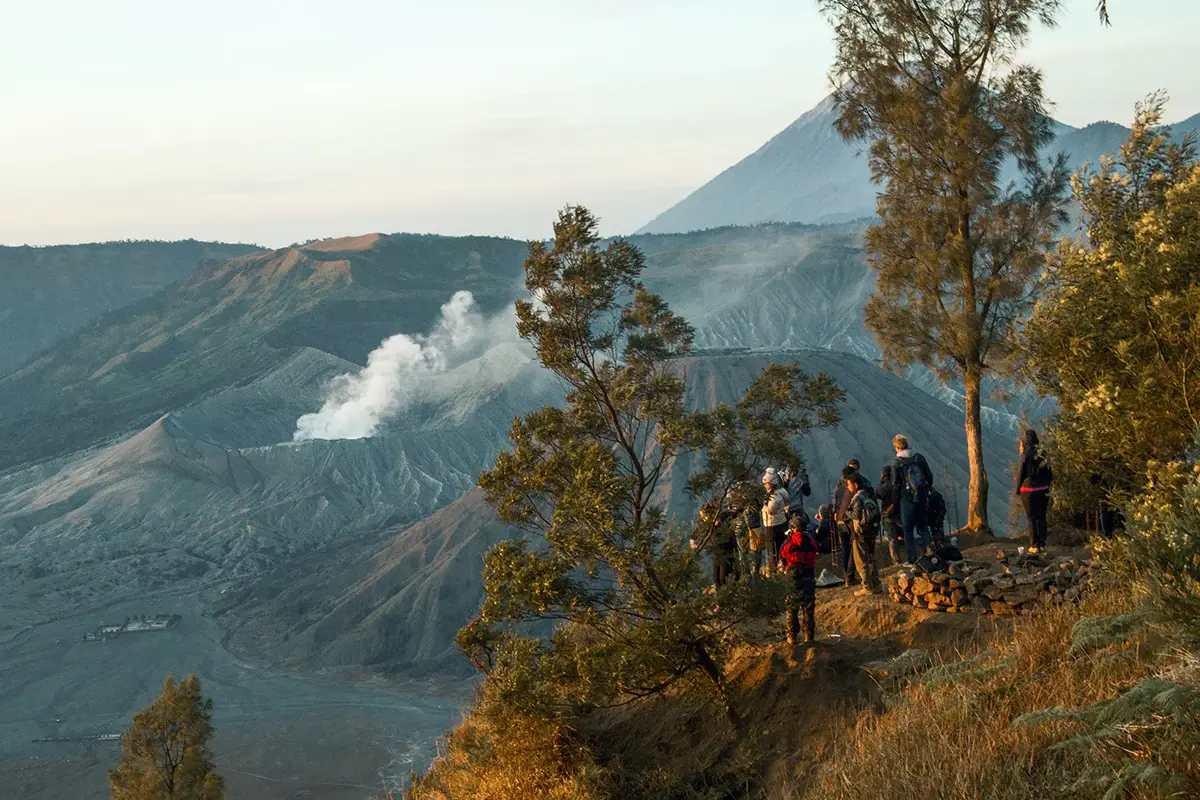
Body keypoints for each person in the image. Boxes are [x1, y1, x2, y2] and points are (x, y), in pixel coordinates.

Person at [892, 434, 934, 564]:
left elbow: (895, 485)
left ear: (896, 447)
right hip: (921, 497)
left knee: (908, 530)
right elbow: (929, 476)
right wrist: (925, 491)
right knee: (923, 526)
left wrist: (895, 504)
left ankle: (912, 559)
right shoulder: (918, 458)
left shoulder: (897, 463)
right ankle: (931, 554)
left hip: (906, 500)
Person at [779, 512, 818, 646]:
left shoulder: (788, 542)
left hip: (792, 576)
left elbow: (783, 556)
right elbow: (814, 556)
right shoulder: (811, 541)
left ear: (793, 528)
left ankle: (792, 637)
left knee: (791, 607)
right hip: (808, 576)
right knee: (808, 608)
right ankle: (809, 636)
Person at [833, 459, 871, 584]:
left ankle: (848, 576)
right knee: (850, 547)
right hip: (847, 519)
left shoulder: (841, 483)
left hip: (844, 518)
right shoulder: (860, 483)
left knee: (850, 547)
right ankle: (849, 575)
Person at [844, 472, 883, 595]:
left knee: (861, 559)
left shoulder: (857, 498)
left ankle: (866, 586)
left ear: (855, 485)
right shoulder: (868, 495)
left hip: (861, 533)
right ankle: (876, 584)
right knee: (871, 558)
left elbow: (856, 517)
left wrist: (848, 516)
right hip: (872, 531)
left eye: (849, 484)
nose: (848, 487)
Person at [1016, 429, 1053, 553]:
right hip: (1043, 490)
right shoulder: (1043, 453)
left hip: (1028, 490)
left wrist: (1018, 489)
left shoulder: (1026, 455)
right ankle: (1042, 544)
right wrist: (1048, 485)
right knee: (1041, 516)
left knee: (1031, 518)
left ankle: (1033, 545)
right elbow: (1049, 471)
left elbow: (1021, 473)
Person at [695, 499, 739, 588]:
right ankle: (722, 598)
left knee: (724, 577)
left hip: (727, 551)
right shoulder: (707, 524)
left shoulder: (723, 516)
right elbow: (695, 534)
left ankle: (730, 595)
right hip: (717, 553)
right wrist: (694, 544)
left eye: (704, 515)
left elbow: (735, 513)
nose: (703, 518)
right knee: (716, 578)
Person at [761, 468, 791, 576]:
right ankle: (781, 570)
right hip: (780, 524)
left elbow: (770, 510)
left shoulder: (774, 497)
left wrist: (764, 506)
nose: (765, 485)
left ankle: (775, 573)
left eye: (766, 483)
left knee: (773, 551)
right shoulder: (782, 492)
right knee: (780, 548)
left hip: (773, 526)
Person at [877, 465, 903, 565]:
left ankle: (896, 560)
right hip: (900, 514)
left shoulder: (883, 486)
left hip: (888, 514)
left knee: (892, 538)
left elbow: (877, 494)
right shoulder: (897, 484)